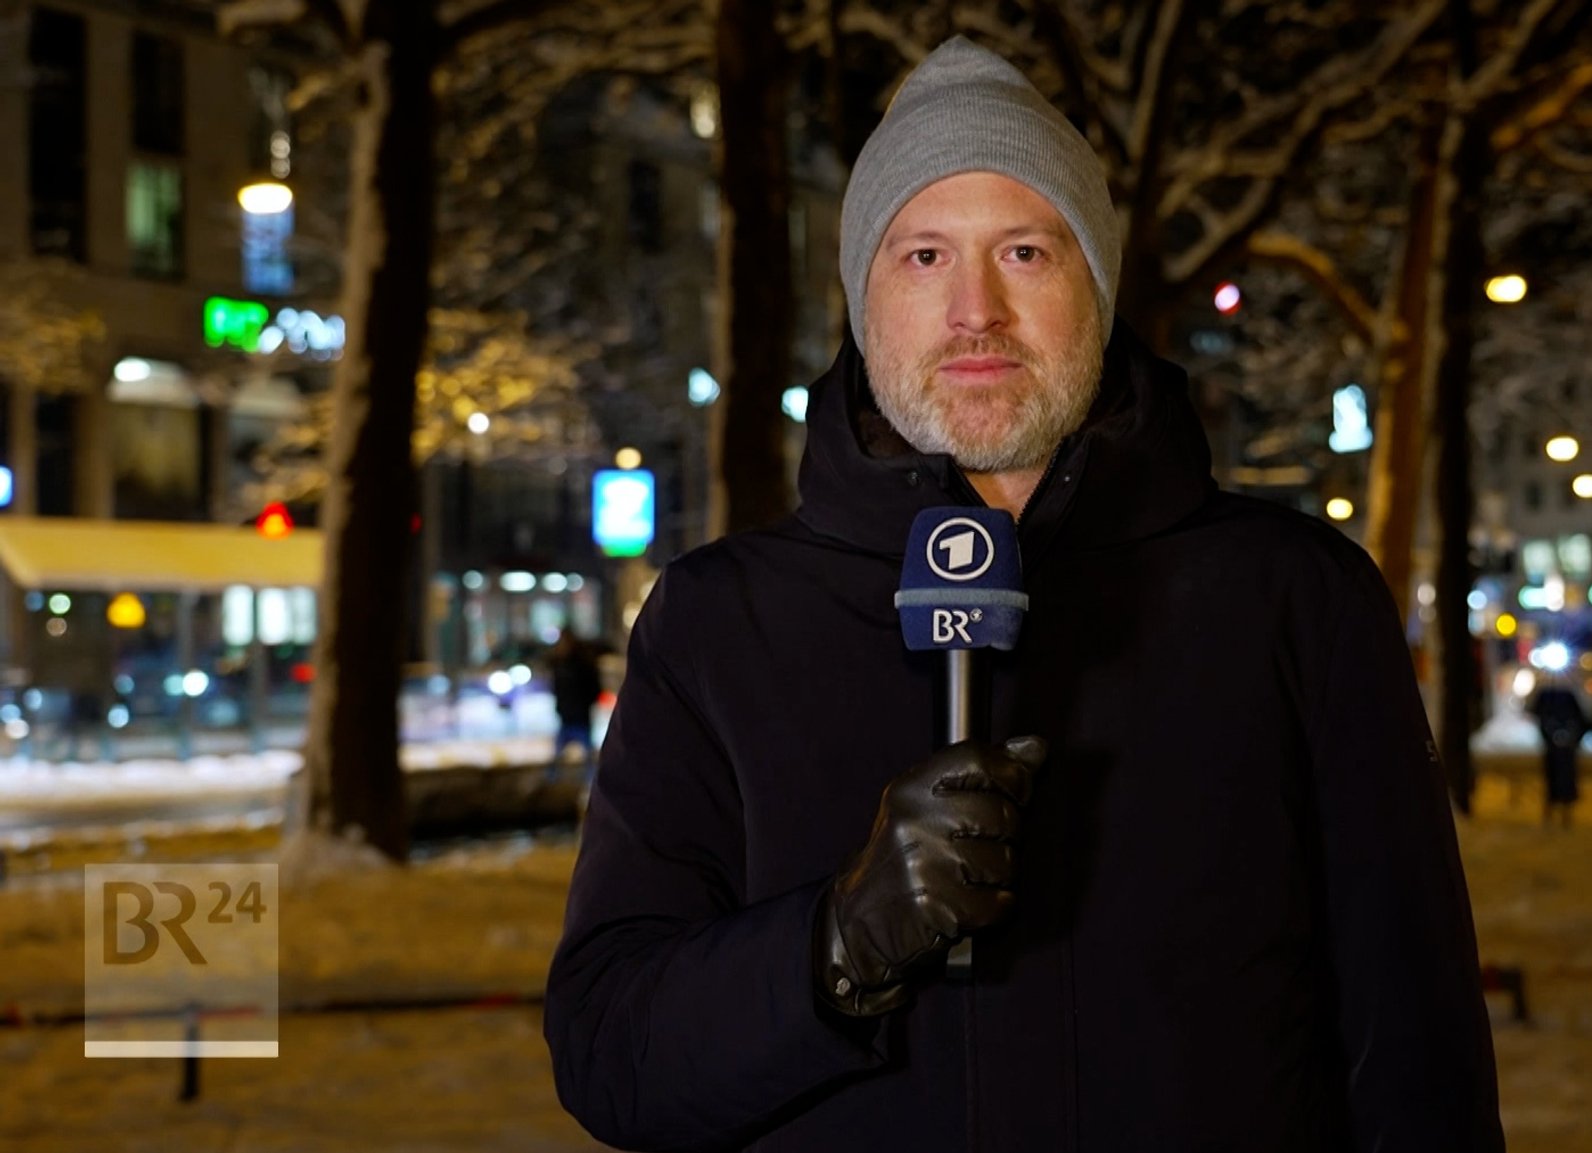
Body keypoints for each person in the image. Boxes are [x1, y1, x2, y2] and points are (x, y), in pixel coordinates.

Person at [546, 36, 1503, 1153]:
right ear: (860, 298)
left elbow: (1413, 1056)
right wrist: (835, 944)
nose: (974, 310)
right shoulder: (717, 622)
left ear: (1094, 281)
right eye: (921, 258)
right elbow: (609, 1055)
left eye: (1025, 252)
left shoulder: (1292, 599)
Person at [545, 631, 602, 783]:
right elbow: (557, 688)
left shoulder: (580, 665)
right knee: (560, 753)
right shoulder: (560, 664)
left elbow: (593, 688)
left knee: (587, 755)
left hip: (579, 716)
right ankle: (552, 782)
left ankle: (590, 783)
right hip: (568, 716)